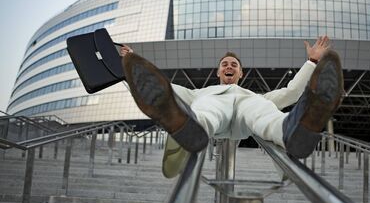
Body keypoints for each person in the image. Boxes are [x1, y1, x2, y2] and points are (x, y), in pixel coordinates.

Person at [120, 36, 343, 167]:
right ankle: (191, 128)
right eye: (225, 64)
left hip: (246, 114)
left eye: (234, 65)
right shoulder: (200, 92)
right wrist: (133, 68)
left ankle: (290, 132)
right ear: (218, 71)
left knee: (265, 112)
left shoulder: (255, 97)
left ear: (241, 73)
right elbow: (162, 90)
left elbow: (292, 92)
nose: (229, 67)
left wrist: (313, 60)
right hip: (211, 114)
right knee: (206, 109)